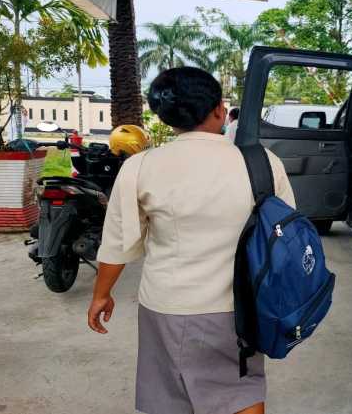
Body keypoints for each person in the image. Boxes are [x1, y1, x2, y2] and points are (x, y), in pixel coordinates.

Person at [87, 67, 295, 414]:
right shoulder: (262, 163)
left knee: (170, 396)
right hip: (243, 305)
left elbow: (118, 243)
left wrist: (101, 295)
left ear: (167, 117)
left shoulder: (141, 166)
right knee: (241, 388)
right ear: (218, 109)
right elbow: (286, 236)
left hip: (168, 305)